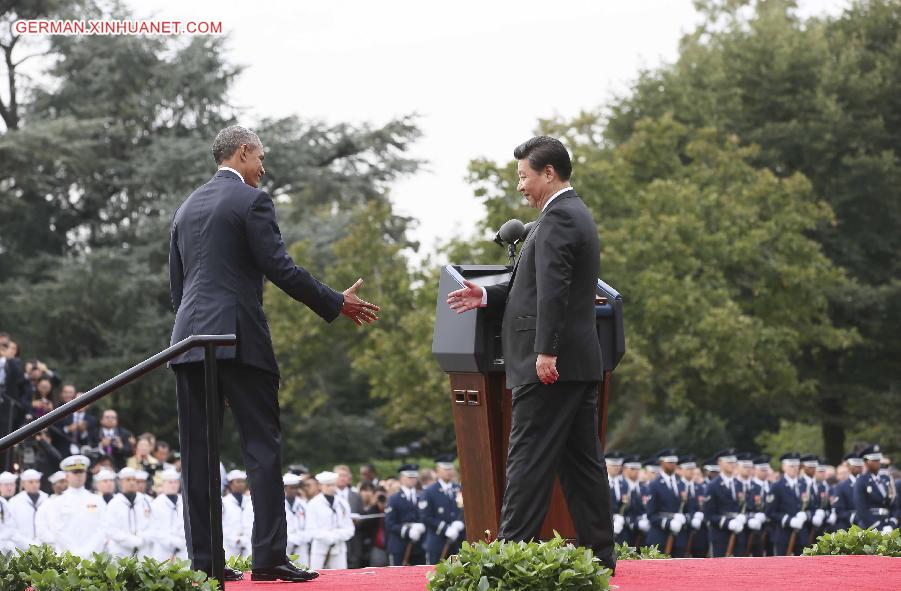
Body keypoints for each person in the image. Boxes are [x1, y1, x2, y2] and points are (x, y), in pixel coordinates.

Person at [168, 125, 379, 583]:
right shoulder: (251, 201)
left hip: (188, 344)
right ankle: (268, 559)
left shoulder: (185, 208)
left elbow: (178, 288)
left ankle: (205, 565)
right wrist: (334, 301)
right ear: (243, 153)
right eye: (261, 157)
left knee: (198, 456)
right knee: (262, 448)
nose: (263, 168)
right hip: (239, 340)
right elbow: (279, 267)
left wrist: (201, 345)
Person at [446, 136, 616, 573]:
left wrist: (545, 352)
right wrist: (484, 293)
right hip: (576, 362)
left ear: (548, 173)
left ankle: (506, 558)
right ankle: (600, 554)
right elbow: (534, 287)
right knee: (582, 464)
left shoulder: (559, 218)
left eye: (524, 176)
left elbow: (555, 291)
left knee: (526, 458)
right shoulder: (562, 215)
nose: (520, 185)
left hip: (551, 365)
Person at [38, 454, 106, 557]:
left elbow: (102, 528)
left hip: (92, 557)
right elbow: (57, 530)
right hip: (67, 558)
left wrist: (88, 551)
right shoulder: (57, 502)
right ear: (66, 476)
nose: (79, 475)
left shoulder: (97, 500)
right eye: (75, 472)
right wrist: (74, 553)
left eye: (82, 472)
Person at [420, 455, 465, 564]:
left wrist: (460, 522)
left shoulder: (458, 489)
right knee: (436, 574)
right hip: (438, 542)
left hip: (457, 542)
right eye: (445, 469)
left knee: (457, 572)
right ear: (437, 471)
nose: (449, 471)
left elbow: (464, 509)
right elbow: (426, 517)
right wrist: (445, 528)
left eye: (450, 468)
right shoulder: (429, 492)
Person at [306, 471, 355, 570]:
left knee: (340, 577)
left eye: (333, 485)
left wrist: (336, 536)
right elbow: (311, 529)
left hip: (339, 548)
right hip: (320, 549)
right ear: (321, 486)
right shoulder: (313, 504)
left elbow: (350, 528)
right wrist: (328, 537)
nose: (331, 488)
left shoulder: (342, 503)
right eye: (328, 485)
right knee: (317, 577)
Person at [644, 450, 689, 557]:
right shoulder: (654, 485)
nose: (673, 464)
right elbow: (651, 515)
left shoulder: (682, 484)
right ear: (661, 463)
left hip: (679, 538)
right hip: (660, 537)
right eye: (669, 462)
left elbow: (688, 508)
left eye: (674, 462)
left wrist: (685, 518)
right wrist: (668, 523)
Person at [704, 449, 748, 557]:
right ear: (720, 463)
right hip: (720, 536)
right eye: (729, 462)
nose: (732, 465)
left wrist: (744, 516)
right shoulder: (713, 486)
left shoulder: (740, 484)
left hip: (738, 534)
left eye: (733, 462)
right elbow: (709, 515)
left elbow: (745, 506)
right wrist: (727, 522)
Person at [766, 452, 811, 555]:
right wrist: (788, 520)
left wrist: (806, 515)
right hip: (783, 535)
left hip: (802, 535)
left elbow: (811, 507)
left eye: (797, 466)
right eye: (791, 466)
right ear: (783, 467)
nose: (795, 468)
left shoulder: (804, 485)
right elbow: (770, 512)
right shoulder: (777, 486)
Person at [104, 467, 152, 558]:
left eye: (134, 480)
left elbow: (153, 524)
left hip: (143, 550)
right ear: (121, 482)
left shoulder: (145, 501)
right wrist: (131, 540)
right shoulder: (114, 503)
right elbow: (110, 529)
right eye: (128, 480)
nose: (132, 482)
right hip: (121, 552)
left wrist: (142, 538)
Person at [384, 464, 427, 566]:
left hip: (419, 545)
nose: (412, 480)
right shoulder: (394, 498)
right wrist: (407, 531)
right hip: (399, 545)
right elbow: (390, 523)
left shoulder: (422, 496)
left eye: (414, 477)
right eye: (409, 477)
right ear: (402, 478)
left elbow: (426, 515)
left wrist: (422, 525)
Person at [853, 445, 897, 533]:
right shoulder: (861, 481)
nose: (877, 462)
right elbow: (861, 508)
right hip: (870, 527)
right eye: (874, 460)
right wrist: (878, 527)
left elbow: (894, 503)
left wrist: (892, 522)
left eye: (878, 460)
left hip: (888, 525)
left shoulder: (886, 479)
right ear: (866, 462)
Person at [148, 469, 188, 562]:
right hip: (162, 550)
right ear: (163, 484)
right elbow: (154, 528)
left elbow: (187, 524)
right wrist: (171, 542)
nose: (173, 485)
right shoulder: (155, 504)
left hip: (182, 549)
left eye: (175, 482)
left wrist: (181, 541)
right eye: (170, 482)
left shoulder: (184, 502)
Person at [8, 468, 48, 547]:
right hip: (22, 548)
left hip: (45, 547)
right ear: (23, 483)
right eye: (31, 482)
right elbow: (11, 529)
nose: (35, 485)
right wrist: (28, 544)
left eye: (37, 481)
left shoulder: (47, 499)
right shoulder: (14, 502)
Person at [333, 465, 363, 568]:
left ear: (349, 478)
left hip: (354, 538)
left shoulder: (356, 495)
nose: (342, 478)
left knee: (354, 564)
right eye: (339, 475)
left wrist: (358, 519)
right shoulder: (329, 495)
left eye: (345, 475)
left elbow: (362, 514)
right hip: (335, 537)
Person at [222, 469, 254, 560]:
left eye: (243, 482)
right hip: (230, 545)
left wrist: (247, 538)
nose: (241, 484)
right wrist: (235, 539)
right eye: (238, 482)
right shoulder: (224, 502)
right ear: (231, 484)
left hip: (247, 544)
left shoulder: (250, 501)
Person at [284, 473, 313, 566]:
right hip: (285, 545)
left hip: (301, 544)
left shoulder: (303, 505)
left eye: (296, 488)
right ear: (284, 488)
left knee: (304, 569)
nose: (294, 490)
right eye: (291, 488)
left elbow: (310, 525)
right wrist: (289, 538)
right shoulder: (276, 505)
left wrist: (300, 537)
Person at [833, 452, 863, 531]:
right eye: (855, 465)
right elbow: (839, 510)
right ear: (849, 467)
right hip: (847, 525)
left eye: (860, 465)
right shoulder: (841, 486)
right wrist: (853, 516)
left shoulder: (866, 484)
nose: (858, 467)